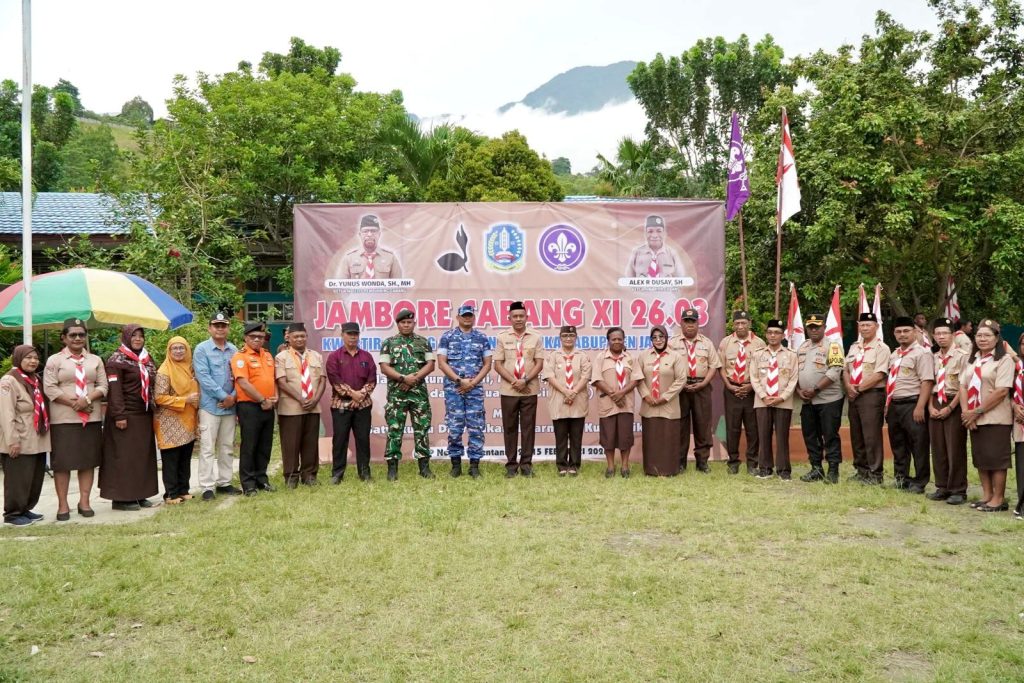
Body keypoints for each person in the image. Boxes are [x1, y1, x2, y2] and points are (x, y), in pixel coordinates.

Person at [43, 318, 107, 521]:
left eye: (81, 334)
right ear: (64, 338)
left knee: (87, 461)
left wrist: (86, 399)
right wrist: (75, 404)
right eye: (73, 335)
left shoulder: (95, 360)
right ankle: (63, 504)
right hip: (63, 419)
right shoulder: (54, 360)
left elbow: (103, 386)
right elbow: (49, 388)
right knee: (62, 463)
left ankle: (84, 502)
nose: (78, 338)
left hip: (91, 418)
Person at [100, 325, 159, 511]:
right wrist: (119, 414)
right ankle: (121, 498)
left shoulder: (147, 359)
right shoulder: (116, 360)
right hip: (125, 415)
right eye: (134, 335)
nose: (138, 339)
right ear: (126, 337)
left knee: (141, 457)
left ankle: (139, 493)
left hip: (144, 415)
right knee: (123, 457)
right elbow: (115, 390)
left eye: (141, 336)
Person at [959, 319, 1014, 512]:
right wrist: (966, 413)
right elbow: (963, 386)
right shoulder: (972, 359)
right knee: (981, 458)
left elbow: (1001, 391)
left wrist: (976, 412)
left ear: (997, 338)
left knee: (996, 459)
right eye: (979, 335)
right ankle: (987, 495)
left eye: (987, 335)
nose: (982, 339)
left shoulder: (1004, 360)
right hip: (973, 418)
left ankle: (998, 499)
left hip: (995, 418)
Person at [436, 304, 492, 479]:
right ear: (458, 317)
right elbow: (442, 362)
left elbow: (487, 364)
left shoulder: (482, 338)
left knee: (476, 427)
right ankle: (456, 465)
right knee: (455, 427)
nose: (467, 318)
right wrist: (460, 381)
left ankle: (474, 466)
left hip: (474, 390)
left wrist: (472, 383)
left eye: (470, 315)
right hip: (454, 390)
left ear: (473, 317)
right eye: (464, 315)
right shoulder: (447, 337)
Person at [379, 309, 436, 480]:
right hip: (397, 395)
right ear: (398, 324)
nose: (406, 325)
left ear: (414, 323)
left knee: (422, 430)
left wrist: (413, 379)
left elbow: (430, 365)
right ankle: (392, 469)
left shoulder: (423, 342)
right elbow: (384, 367)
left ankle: (424, 468)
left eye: (409, 322)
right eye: (403, 322)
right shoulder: (388, 343)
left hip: (419, 395)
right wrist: (403, 378)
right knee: (395, 430)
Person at [193, 312, 243, 501]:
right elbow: (203, 377)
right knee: (207, 448)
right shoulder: (202, 349)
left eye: (223, 325)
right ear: (210, 328)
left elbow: (240, 376)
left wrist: (233, 397)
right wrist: (224, 396)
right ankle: (207, 486)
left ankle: (224, 482)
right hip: (210, 406)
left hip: (230, 406)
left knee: (227, 446)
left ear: (228, 328)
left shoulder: (234, 350)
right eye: (216, 325)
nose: (220, 329)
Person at [493, 301, 545, 477]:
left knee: (528, 428)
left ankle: (526, 465)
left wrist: (525, 380)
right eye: (514, 316)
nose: (518, 319)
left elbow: (539, 363)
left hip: (530, 389)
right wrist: (515, 382)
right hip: (509, 390)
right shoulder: (502, 337)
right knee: (510, 427)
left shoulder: (536, 337)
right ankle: (511, 465)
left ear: (526, 317)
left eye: (521, 316)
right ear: (509, 318)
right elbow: (498, 365)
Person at [884, 316, 935, 493]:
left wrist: (920, 407)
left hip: (913, 403)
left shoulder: (922, 353)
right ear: (894, 334)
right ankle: (901, 478)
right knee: (898, 444)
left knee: (918, 444)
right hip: (895, 404)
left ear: (914, 332)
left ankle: (920, 481)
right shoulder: (894, 354)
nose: (902, 334)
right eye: (898, 331)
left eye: (906, 331)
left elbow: (927, 381)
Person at [1, 346, 50, 526]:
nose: (33, 361)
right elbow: (6, 413)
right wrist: (12, 441)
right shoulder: (9, 380)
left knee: (33, 477)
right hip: (20, 438)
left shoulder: (34, 379)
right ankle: (13, 514)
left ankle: (25, 508)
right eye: (28, 358)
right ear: (18, 359)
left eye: (35, 358)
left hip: (37, 437)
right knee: (18, 478)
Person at [275, 322, 326, 488]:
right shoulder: (281, 357)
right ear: (288, 338)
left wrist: (315, 399)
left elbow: (322, 380)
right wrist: (300, 399)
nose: (299, 339)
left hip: (313, 406)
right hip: (291, 408)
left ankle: (309, 475)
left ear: (307, 337)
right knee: (290, 444)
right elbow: (281, 382)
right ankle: (291, 477)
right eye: (296, 336)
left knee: (311, 443)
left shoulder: (316, 356)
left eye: (302, 336)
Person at [669, 307, 720, 472]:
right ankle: (679, 461)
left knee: (703, 425)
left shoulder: (707, 343)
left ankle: (702, 461)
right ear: (681, 323)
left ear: (698, 323)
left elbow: (713, 366)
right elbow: (667, 366)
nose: (690, 325)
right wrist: (679, 384)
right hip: (680, 389)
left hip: (701, 387)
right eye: (687, 321)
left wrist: (703, 383)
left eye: (693, 321)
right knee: (680, 425)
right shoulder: (672, 343)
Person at [796, 314, 845, 483]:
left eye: (817, 326)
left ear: (824, 327)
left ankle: (833, 471)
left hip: (828, 400)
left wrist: (816, 389)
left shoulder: (833, 346)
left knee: (830, 435)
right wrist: (798, 390)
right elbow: (795, 371)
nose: (814, 330)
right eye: (810, 327)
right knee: (810, 436)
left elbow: (835, 371)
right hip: (808, 400)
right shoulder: (802, 347)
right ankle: (816, 469)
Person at [843, 312, 891, 484]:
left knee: (871, 436)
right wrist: (848, 386)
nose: (865, 328)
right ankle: (861, 471)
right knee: (856, 435)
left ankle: (875, 474)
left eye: (868, 325)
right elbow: (845, 369)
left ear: (876, 327)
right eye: (862, 325)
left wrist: (858, 388)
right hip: (853, 395)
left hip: (871, 395)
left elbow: (880, 374)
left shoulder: (882, 348)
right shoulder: (854, 347)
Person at [325, 322, 376, 483]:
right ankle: (337, 474)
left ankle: (364, 472)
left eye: (355, 334)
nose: (353, 337)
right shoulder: (334, 357)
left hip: (363, 405)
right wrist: (353, 395)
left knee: (363, 439)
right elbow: (335, 380)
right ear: (342, 335)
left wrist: (360, 396)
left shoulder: (367, 356)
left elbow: (372, 380)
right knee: (340, 440)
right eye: (349, 334)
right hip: (341, 405)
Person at [233, 321, 279, 495]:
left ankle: (262, 479)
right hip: (250, 406)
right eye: (253, 337)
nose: (258, 340)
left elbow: (272, 379)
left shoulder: (267, 355)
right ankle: (248, 484)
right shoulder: (240, 357)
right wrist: (261, 400)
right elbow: (243, 383)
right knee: (250, 446)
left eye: (261, 337)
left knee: (265, 445)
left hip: (268, 405)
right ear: (246, 338)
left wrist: (275, 397)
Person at [750, 320, 799, 479]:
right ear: (766, 335)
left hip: (783, 402)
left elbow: (793, 379)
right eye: (770, 332)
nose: (773, 335)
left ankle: (784, 471)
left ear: (782, 336)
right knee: (763, 435)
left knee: (782, 437)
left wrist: (781, 397)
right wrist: (764, 396)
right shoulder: (758, 354)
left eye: (776, 333)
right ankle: (765, 468)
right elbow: (754, 377)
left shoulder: (791, 355)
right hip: (762, 401)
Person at [926, 318, 969, 505]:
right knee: (938, 447)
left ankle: (958, 489)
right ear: (933, 336)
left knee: (955, 447)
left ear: (953, 335)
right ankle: (942, 486)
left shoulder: (962, 356)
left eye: (945, 333)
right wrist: (930, 406)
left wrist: (951, 408)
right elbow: (930, 383)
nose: (941, 337)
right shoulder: (933, 357)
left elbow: (964, 385)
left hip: (955, 401)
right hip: (936, 401)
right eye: (938, 334)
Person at [718, 310, 765, 474]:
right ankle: (733, 461)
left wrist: (751, 386)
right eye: (737, 323)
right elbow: (721, 367)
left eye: (743, 323)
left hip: (752, 390)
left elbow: (763, 369)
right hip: (731, 389)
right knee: (732, 427)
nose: (740, 326)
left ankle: (752, 463)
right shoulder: (725, 342)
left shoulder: (759, 343)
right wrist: (729, 386)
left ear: (749, 323)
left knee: (753, 428)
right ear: (733, 325)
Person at [154, 336, 200, 505]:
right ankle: (171, 494)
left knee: (185, 457)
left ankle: (183, 490)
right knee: (171, 459)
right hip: (169, 421)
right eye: (175, 348)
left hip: (187, 419)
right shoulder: (164, 370)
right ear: (169, 351)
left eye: (182, 348)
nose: (179, 351)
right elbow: (159, 397)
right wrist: (184, 400)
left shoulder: (190, 368)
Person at [637, 325, 687, 476]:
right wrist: (646, 395)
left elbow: (681, 379)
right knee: (652, 438)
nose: (658, 340)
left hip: (669, 405)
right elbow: (638, 378)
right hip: (649, 404)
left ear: (666, 338)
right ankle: (651, 469)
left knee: (668, 438)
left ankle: (669, 469)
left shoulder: (675, 356)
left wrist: (665, 397)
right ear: (651, 339)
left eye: (661, 337)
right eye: (654, 337)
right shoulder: (644, 356)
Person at [591, 327, 641, 478]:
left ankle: (625, 466)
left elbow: (636, 379)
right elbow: (597, 379)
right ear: (608, 341)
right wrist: (614, 395)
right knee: (608, 437)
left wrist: (622, 393)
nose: (617, 342)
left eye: (620, 339)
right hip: (607, 404)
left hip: (626, 404)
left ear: (624, 340)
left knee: (625, 437)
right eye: (614, 339)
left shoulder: (631, 358)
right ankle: (610, 467)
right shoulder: (600, 358)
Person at [544, 325, 592, 476]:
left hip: (578, 400)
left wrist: (574, 392)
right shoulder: (553, 356)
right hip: (559, 400)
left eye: (571, 336)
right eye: (565, 336)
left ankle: (574, 465)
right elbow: (549, 376)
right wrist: (565, 391)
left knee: (576, 436)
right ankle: (562, 465)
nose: (568, 338)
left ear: (576, 337)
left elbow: (586, 376)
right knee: (561, 436)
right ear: (560, 338)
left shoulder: (582, 356)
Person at [340, 214, 402, 279]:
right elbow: (340, 284)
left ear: (379, 234)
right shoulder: (349, 258)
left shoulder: (390, 257)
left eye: (373, 231)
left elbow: (399, 284)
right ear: (360, 234)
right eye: (365, 231)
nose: (369, 234)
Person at [1013, 333, 1024, 519]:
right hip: (1020, 421)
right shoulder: (1017, 367)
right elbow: (1009, 393)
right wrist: (1015, 406)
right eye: (1023, 343)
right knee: (1022, 465)